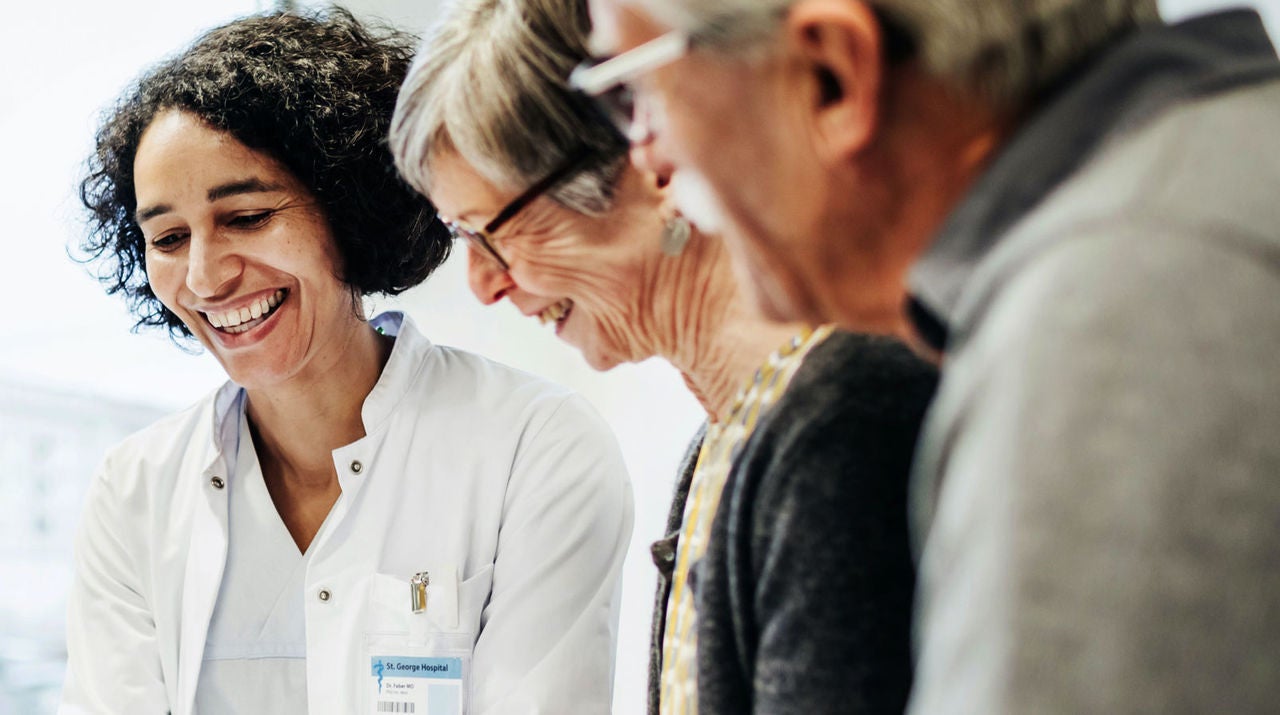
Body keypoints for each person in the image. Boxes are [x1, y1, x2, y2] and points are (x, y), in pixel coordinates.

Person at [576, 0, 1280, 712]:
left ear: (830, 76)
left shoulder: (1106, 326)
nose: (647, 157)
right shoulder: (1209, 178)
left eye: (637, 91)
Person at [64, 9, 632, 715]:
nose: (206, 277)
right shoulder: (134, 492)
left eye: (245, 217)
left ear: (347, 207)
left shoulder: (535, 449)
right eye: (170, 237)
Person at [390, 0, 937, 713]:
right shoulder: (721, 442)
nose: (484, 285)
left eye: (486, 232)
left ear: (647, 148)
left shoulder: (845, 416)